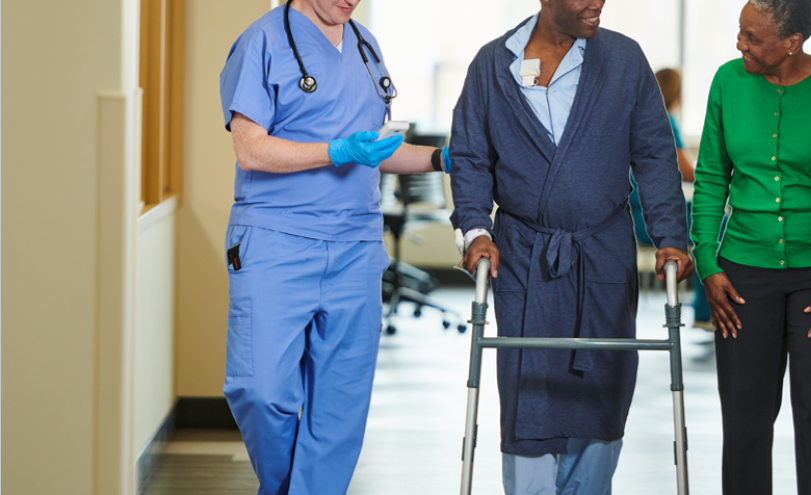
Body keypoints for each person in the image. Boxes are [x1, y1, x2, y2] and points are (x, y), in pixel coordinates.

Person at [449, 0, 694, 492]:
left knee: (602, 384)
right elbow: (471, 157)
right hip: (522, 254)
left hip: (602, 250)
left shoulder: (624, 60)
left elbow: (653, 154)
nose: (597, 2)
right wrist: (476, 231)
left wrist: (672, 238)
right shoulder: (492, 66)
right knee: (528, 387)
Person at [218, 1, 450, 493]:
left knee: (339, 406)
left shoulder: (365, 46)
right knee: (259, 390)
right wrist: (336, 151)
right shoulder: (263, 41)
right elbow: (250, 148)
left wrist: (441, 157)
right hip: (276, 239)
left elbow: (377, 152)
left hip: (354, 245)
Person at [691, 1, 811, 493]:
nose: (740, 45)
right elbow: (712, 177)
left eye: (752, 38)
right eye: (740, 32)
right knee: (744, 415)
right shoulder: (728, 83)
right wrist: (708, 261)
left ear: (792, 42)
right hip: (740, 277)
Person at [629, 68, 717, 331]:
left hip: (636, 216)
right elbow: (687, 172)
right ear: (677, 95)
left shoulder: (636, 118)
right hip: (652, 221)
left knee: (711, 222)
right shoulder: (664, 120)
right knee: (717, 227)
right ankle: (706, 311)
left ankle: (706, 310)